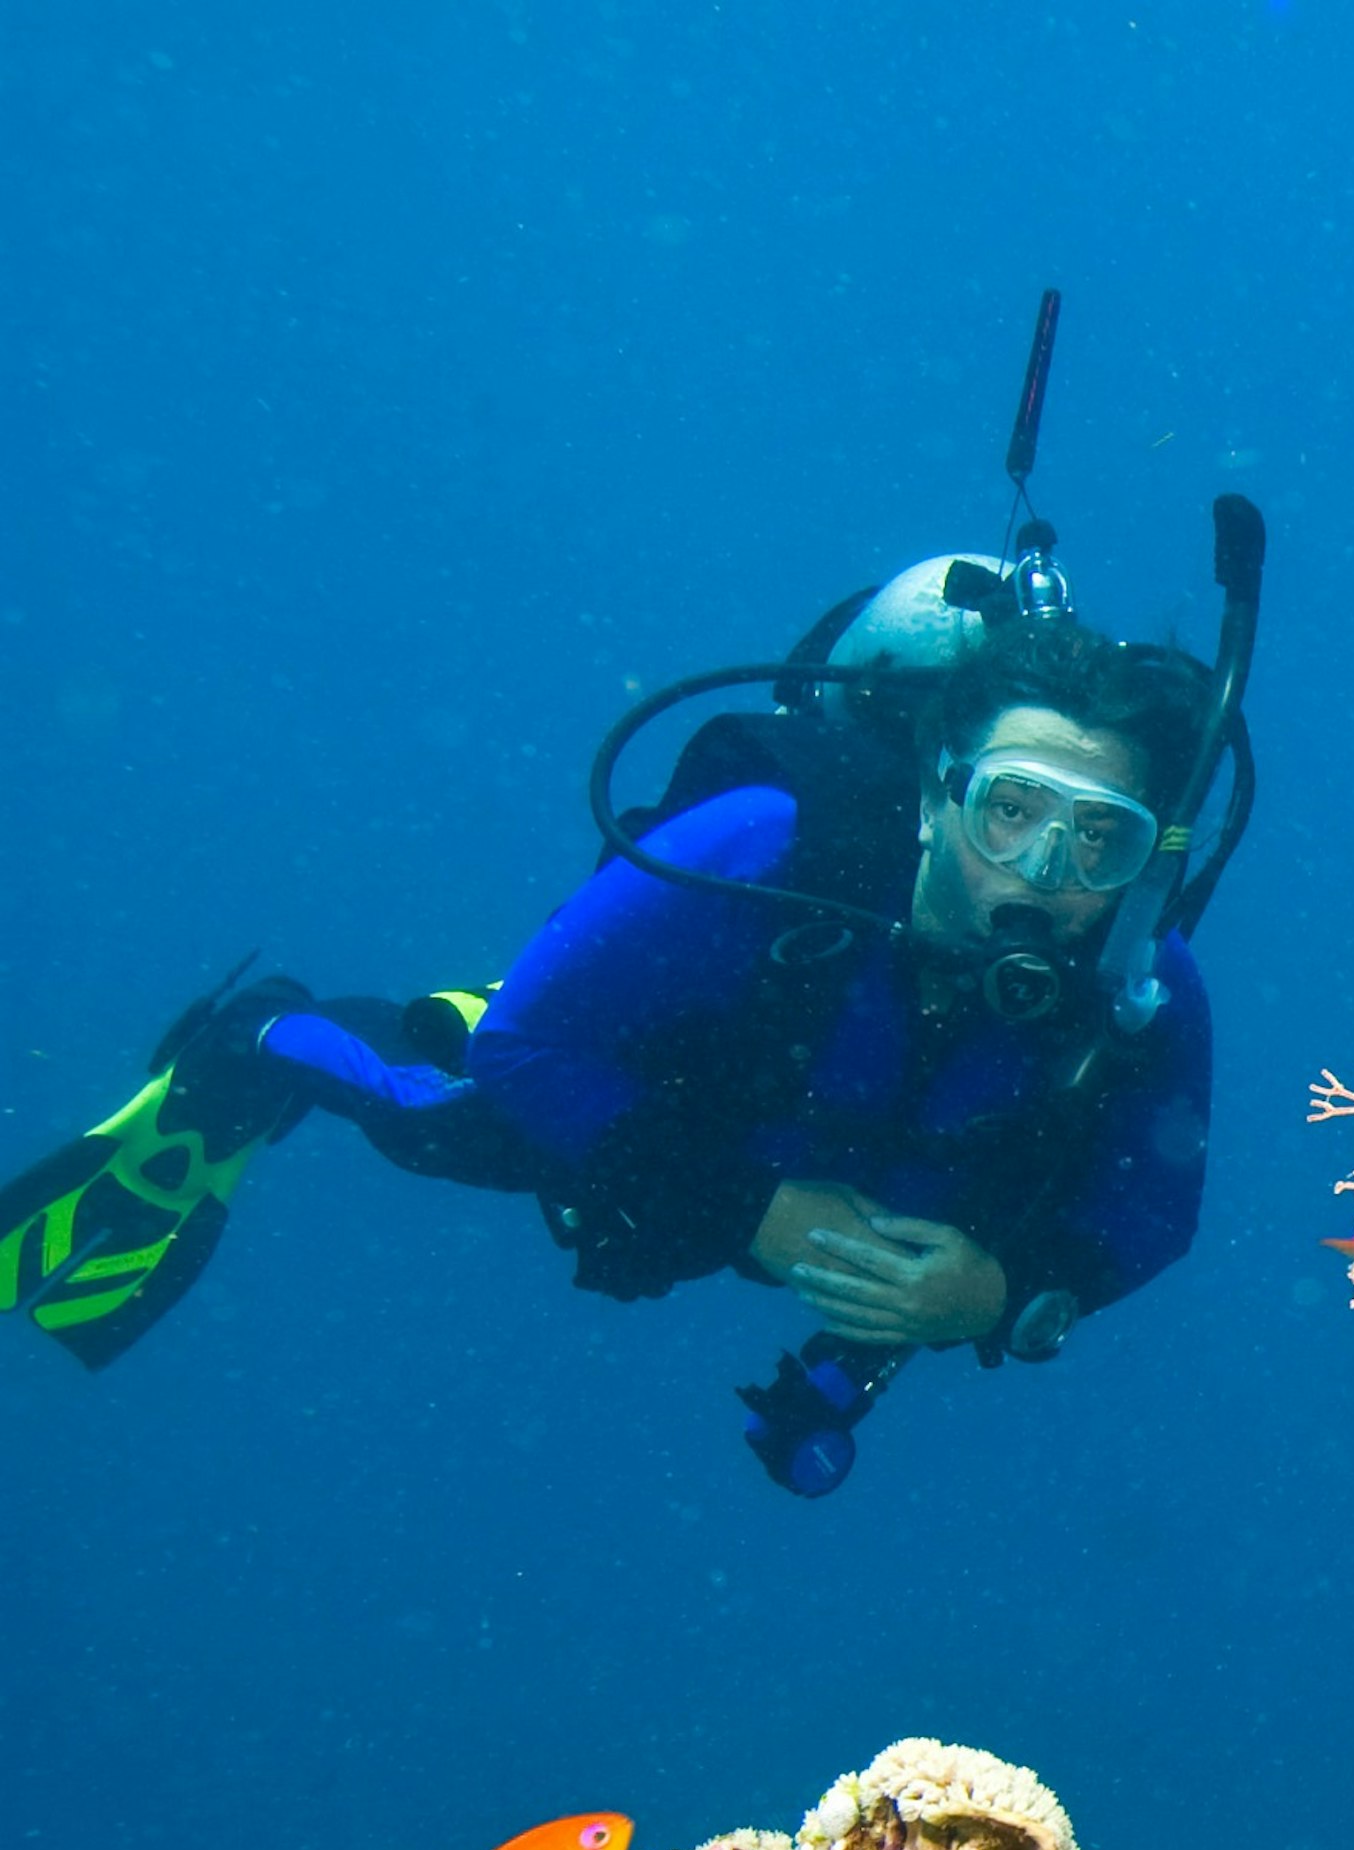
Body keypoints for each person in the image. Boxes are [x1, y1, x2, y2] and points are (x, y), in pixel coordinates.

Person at [0, 599, 1221, 1466]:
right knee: (433, 1115)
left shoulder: (1145, 990)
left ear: (1147, 857)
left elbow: (1153, 1217)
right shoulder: (763, 847)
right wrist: (743, 1208)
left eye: (1097, 838)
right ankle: (255, 1041)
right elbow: (529, 1052)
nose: (1041, 872)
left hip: (843, 1175)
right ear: (940, 781)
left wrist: (1004, 1292)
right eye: (1009, 811)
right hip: (650, 1105)